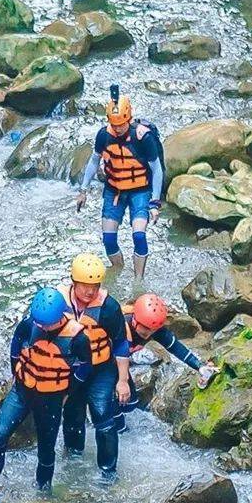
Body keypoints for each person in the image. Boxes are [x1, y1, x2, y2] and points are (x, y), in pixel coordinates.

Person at [0, 287, 74, 493]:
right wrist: (17, 374)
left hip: (51, 399)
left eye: (47, 323)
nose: (42, 326)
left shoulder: (76, 337)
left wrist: (66, 394)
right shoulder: (28, 324)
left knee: (46, 450)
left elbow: (83, 369)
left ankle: (43, 491)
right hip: (22, 392)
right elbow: (16, 348)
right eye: (40, 322)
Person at [77, 88, 164, 281]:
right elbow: (93, 161)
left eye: (121, 125)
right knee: (108, 239)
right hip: (114, 190)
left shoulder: (143, 137)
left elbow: (157, 169)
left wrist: (155, 202)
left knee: (139, 235)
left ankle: (138, 280)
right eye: (114, 124)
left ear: (129, 119)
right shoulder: (103, 136)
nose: (117, 129)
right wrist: (83, 190)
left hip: (140, 191)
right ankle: (118, 270)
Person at [59, 252, 130, 479]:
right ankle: (74, 461)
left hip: (101, 370)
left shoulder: (108, 307)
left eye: (95, 285)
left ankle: (108, 473)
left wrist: (122, 381)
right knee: (71, 415)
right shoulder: (58, 302)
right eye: (85, 285)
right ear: (74, 282)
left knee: (103, 416)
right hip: (72, 370)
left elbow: (120, 344)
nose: (91, 291)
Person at [118, 293, 215, 410]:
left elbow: (176, 347)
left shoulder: (153, 327)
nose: (148, 334)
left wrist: (199, 366)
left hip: (121, 359)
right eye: (145, 331)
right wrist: (121, 381)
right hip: (103, 360)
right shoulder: (119, 327)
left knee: (130, 404)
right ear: (134, 320)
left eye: (152, 331)